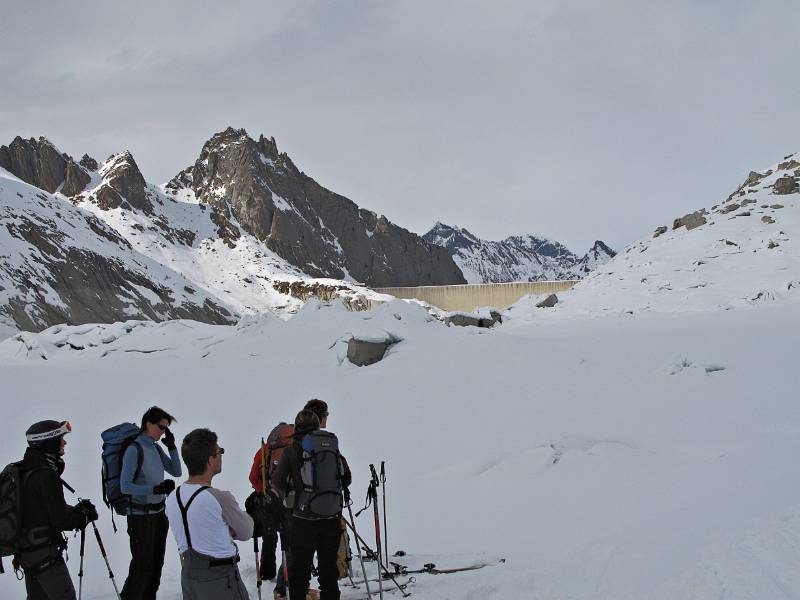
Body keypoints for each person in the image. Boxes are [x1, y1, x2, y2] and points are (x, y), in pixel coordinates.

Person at [166, 428, 253, 599]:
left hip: (189, 578)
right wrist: (230, 528)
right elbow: (247, 531)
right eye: (219, 452)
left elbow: (197, 528)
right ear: (210, 460)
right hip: (221, 579)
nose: (221, 455)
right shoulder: (219, 498)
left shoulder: (173, 498)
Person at [272, 410, 351, 600]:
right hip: (331, 518)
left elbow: (278, 482)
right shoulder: (331, 447)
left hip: (302, 520)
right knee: (328, 573)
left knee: (299, 575)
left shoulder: (292, 450)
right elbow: (346, 478)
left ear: (297, 427)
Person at [18, 420, 98, 600]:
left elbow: (41, 511)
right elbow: (61, 519)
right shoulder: (46, 476)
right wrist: (83, 516)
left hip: (28, 551)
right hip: (45, 554)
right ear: (49, 442)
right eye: (61, 438)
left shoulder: (25, 471)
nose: (64, 443)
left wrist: (75, 511)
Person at [119, 407, 182, 600]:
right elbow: (125, 486)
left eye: (166, 429)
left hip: (158, 514)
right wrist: (154, 489)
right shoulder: (134, 449)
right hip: (140, 516)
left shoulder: (155, 447)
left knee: (156, 565)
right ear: (148, 423)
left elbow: (176, 471)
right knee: (142, 566)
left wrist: (171, 447)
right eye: (161, 427)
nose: (163, 431)